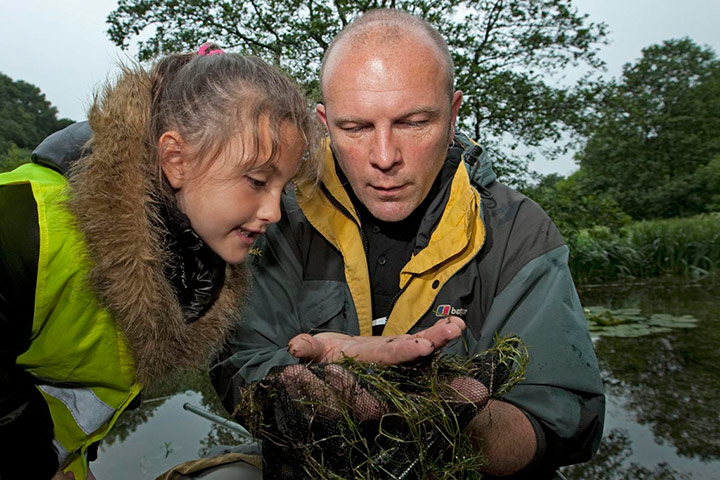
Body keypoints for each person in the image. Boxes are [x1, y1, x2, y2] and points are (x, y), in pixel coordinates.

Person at [209, 8, 605, 479]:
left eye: (414, 122)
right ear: (324, 123)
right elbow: (238, 363)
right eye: (354, 128)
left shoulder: (521, 231)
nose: (384, 158)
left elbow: (566, 418)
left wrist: (447, 427)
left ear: (454, 114)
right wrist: (300, 398)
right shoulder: (274, 219)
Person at [0, 44, 320, 480]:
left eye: (281, 188)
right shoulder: (33, 222)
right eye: (257, 181)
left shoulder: (193, 265)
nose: (274, 212)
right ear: (176, 160)